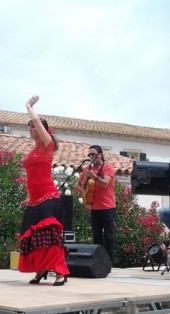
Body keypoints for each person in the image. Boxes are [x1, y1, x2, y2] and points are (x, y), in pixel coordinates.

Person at [18, 95, 69, 286]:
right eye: (29, 127)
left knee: (48, 237)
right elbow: (32, 177)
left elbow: (38, 121)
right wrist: (28, 196)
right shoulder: (33, 152)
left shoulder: (48, 146)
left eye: (33, 127)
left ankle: (59, 272)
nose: (31, 130)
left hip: (49, 198)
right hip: (35, 200)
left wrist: (28, 106)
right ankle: (41, 268)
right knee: (32, 237)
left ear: (42, 130)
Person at [73, 144, 116, 259]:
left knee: (108, 236)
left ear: (101, 155)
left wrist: (94, 177)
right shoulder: (87, 170)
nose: (91, 156)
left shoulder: (108, 167)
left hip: (108, 207)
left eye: (94, 154)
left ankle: (109, 261)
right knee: (96, 236)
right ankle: (99, 261)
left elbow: (105, 183)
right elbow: (79, 184)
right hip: (94, 207)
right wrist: (80, 190)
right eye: (89, 155)